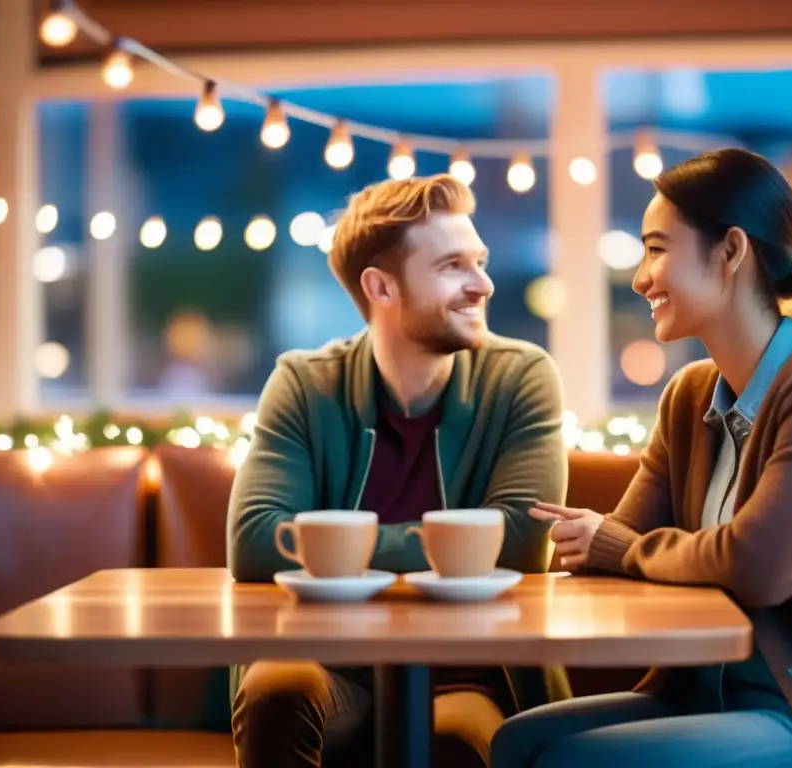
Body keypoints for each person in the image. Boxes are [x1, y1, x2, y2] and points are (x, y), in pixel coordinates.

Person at [489, 148, 792, 768]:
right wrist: (613, 545)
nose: (639, 278)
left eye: (657, 249)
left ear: (731, 252)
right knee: (517, 740)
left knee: (574, 759)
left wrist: (620, 548)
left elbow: (758, 563)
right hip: (712, 695)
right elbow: (621, 539)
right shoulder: (688, 398)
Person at [226, 173, 572, 768]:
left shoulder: (520, 377)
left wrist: (340, 550)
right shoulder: (305, 383)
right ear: (381, 287)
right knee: (273, 694)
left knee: (453, 744)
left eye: (481, 261)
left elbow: (517, 542)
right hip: (328, 660)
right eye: (453, 266)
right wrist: (452, 547)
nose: (483, 284)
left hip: (469, 673)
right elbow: (255, 541)